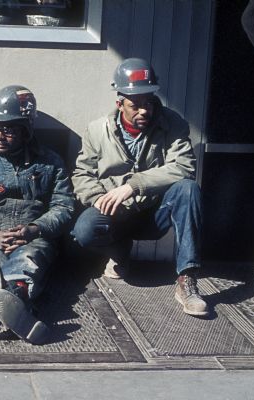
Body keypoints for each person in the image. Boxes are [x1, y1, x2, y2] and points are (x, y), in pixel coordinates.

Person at [71, 58, 208, 317]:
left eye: (148, 102)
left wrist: (134, 185)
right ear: (119, 103)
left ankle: (187, 281)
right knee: (84, 231)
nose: (144, 111)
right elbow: (82, 173)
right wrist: (99, 198)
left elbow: (184, 166)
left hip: (155, 212)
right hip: (117, 215)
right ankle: (119, 252)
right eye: (135, 105)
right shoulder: (97, 130)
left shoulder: (172, 122)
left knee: (188, 188)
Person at [0, 85, 75, 345]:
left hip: (32, 237)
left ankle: (3, 301)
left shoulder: (50, 162)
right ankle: (16, 306)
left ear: (26, 130)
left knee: (28, 262)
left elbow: (64, 206)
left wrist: (36, 228)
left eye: (8, 130)